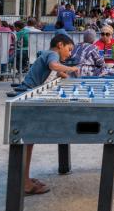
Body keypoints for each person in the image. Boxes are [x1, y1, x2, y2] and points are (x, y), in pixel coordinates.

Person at [19, 34, 79, 195]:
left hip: (31, 95)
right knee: (27, 140)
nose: (70, 53)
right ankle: (24, 182)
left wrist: (66, 75)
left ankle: (25, 178)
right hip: (28, 97)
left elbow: (54, 72)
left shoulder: (50, 56)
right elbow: (53, 66)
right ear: (60, 45)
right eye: (69, 49)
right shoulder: (52, 54)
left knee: (29, 141)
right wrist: (71, 68)